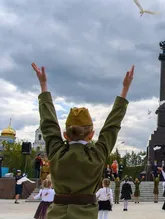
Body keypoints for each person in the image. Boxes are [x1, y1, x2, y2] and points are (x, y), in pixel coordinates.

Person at [31, 62, 134, 218]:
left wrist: (43, 84)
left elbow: (48, 123)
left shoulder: (57, 152)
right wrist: (125, 89)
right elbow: (112, 126)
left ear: (65, 135)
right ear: (91, 134)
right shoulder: (97, 155)